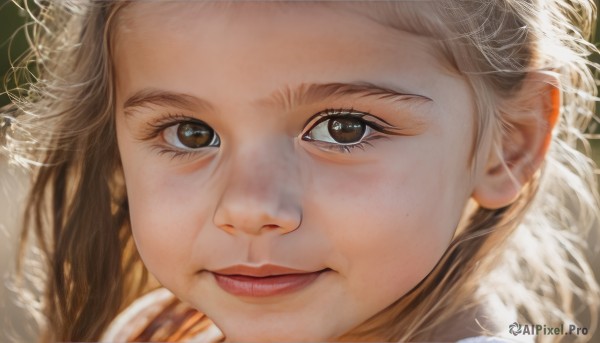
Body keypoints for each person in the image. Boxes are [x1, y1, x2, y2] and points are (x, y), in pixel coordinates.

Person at [1, 1, 599, 342]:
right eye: (190, 133)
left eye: (345, 128)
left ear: (508, 144)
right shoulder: (159, 331)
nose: (251, 207)